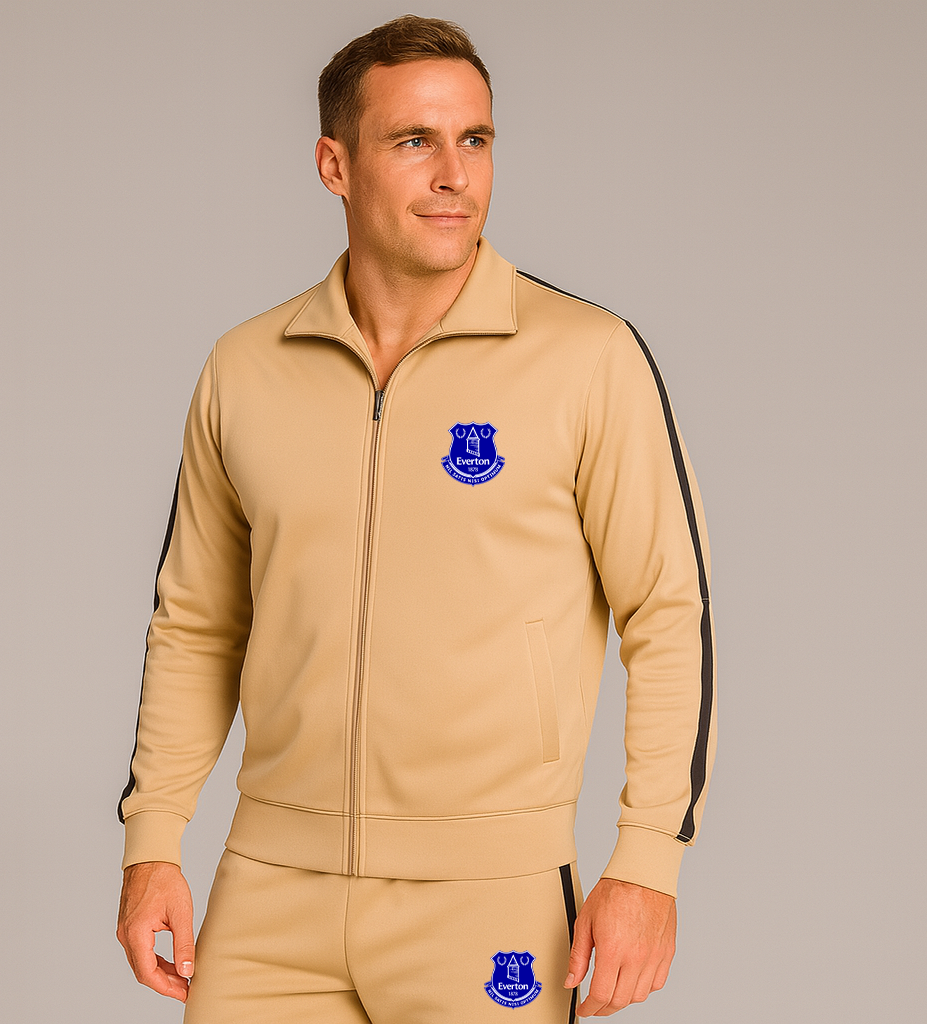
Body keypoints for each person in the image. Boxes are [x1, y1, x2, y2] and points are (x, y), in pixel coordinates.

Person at [116, 14, 716, 1022]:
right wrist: (153, 840)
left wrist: (648, 859)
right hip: (270, 886)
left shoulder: (586, 357)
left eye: (475, 139)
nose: (454, 175)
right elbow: (197, 623)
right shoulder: (245, 368)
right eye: (413, 141)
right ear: (334, 165)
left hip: (491, 891)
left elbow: (668, 612)